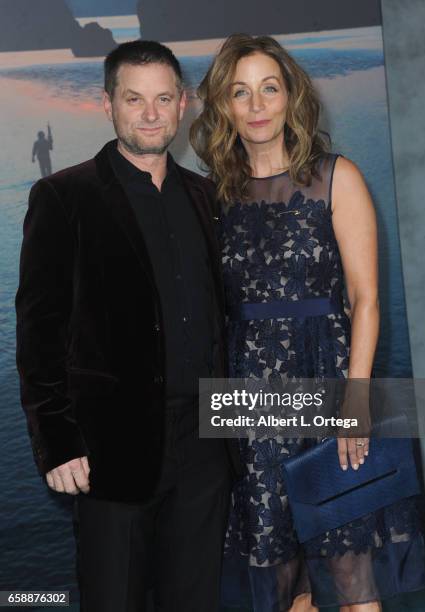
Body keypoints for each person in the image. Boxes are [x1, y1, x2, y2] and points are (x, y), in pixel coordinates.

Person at [190, 34, 425, 612]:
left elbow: (365, 298)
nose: (256, 105)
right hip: (251, 405)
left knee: (353, 579)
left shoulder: (336, 176)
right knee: (283, 583)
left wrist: (356, 399)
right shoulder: (213, 197)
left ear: (290, 95)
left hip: (330, 383)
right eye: (239, 92)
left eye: (269, 88)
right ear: (223, 105)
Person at [16, 40, 238, 612]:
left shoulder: (207, 196)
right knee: (113, 598)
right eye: (133, 98)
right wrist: (57, 442)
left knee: (195, 599)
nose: (149, 113)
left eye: (163, 98)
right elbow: (40, 333)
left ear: (183, 104)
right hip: (110, 449)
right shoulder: (63, 197)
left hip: (207, 445)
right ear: (107, 104)